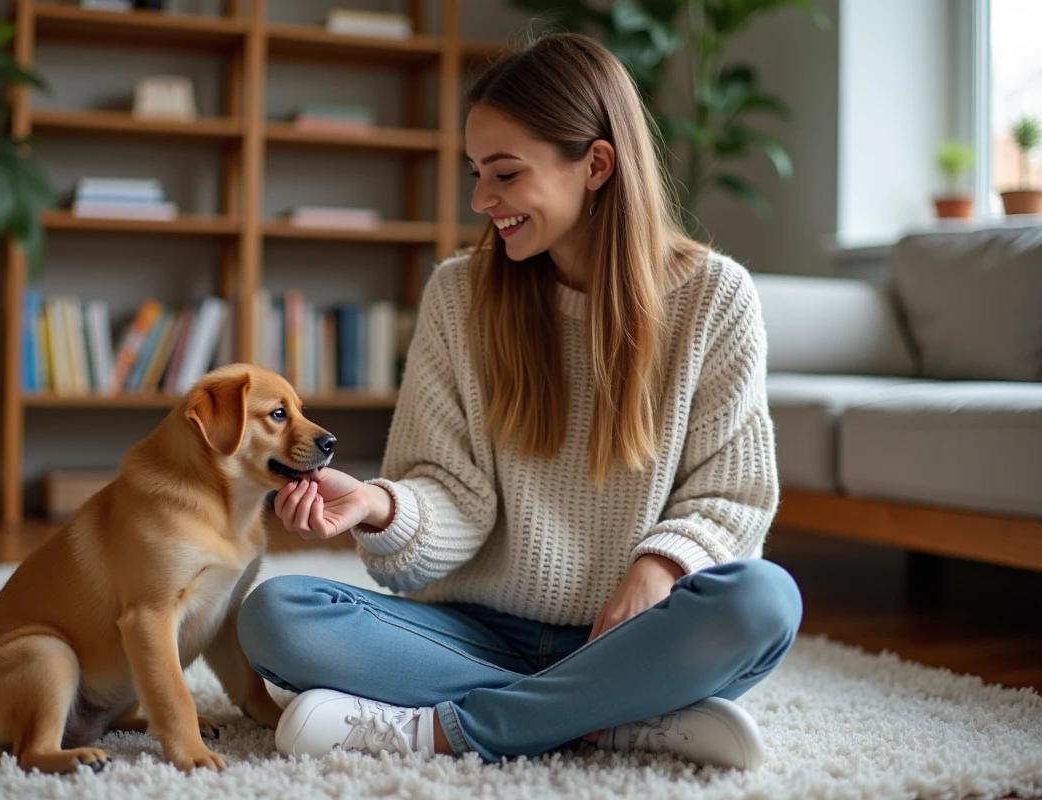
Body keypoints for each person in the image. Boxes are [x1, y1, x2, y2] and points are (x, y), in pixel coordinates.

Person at [236, 32, 802, 771]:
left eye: (504, 173)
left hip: (637, 625)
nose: (480, 200)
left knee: (763, 603)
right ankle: (618, 711)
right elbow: (452, 496)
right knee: (279, 617)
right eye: (476, 173)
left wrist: (660, 566)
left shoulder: (714, 296)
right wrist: (376, 506)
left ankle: (449, 729)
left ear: (596, 164)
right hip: (476, 629)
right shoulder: (457, 295)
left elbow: (734, 495)